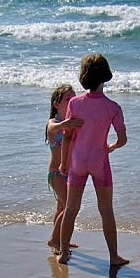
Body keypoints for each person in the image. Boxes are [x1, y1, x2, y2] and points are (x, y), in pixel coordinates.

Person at [57, 53, 128, 267]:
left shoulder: (75, 104)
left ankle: (63, 252)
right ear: (105, 76)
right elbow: (123, 139)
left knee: (71, 208)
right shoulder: (112, 107)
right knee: (106, 210)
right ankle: (114, 256)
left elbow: (68, 135)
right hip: (99, 161)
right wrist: (111, 147)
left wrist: (63, 162)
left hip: (78, 161)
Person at [45, 84, 84, 253]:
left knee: (61, 207)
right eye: (68, 99)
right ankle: (55, 240)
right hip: (56, 173)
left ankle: (61, 240)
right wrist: (68, 123)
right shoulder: (53, 123)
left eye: (74, 98)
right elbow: (53, 128)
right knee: (69, 206)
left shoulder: (73, 122)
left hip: (69, 172)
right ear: (56, 104)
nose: (72, 101)